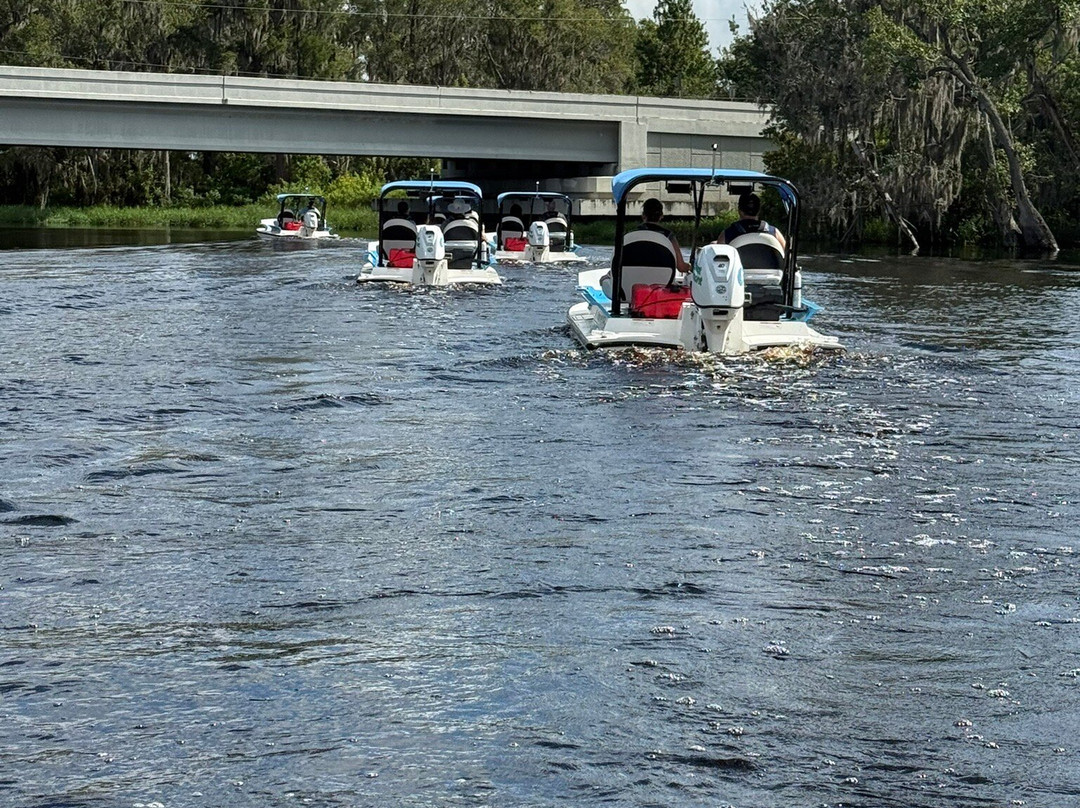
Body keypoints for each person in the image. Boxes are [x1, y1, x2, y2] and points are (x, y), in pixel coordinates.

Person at [716, 192, 786, 250]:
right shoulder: (774, 232)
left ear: (739, 210)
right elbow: (786, 253)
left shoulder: (727, 234)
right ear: (759, 210)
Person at [639, 197, 689, 273]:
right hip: (663, 282)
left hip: (632, 282)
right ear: (661, 216)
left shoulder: (631, 234)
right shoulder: (668, 236)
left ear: (643, 215)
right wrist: (691, 266)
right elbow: (681, 267)